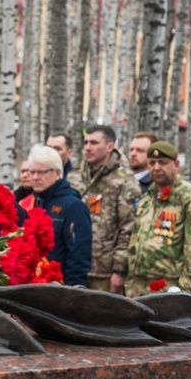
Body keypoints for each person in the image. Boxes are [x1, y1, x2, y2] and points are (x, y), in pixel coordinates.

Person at [125, 140, 191, 296]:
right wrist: (130, 284)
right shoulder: (147, 198)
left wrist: (186, 291)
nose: (156, 168)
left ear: (176, 165)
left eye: (162, 162)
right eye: (152, 163)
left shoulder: (189, 197)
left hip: (169, 288)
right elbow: (135, 242)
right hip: (137, 287)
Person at [67, 125, 141, 294]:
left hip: (104, 271)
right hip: (75, 266)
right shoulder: (75, 177)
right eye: (86, 142)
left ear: (109, 146)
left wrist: (119, 270)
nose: (88, 148)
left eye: (94, 143)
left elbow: (129, 228)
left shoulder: (124, 181)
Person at [28, 145, 93, 287]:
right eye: (32, 172)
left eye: (41, 172)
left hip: (61, 285)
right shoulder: (33, 201)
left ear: (57, 173)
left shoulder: (73, 206)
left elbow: (79, 255)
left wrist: (72, 291)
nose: (35, 177)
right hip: (35, 283)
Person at [129, 132, 158, 196]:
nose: (133, 154)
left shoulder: (157, 185)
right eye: (131, 150)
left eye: (140, 150)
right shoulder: (120, 179)